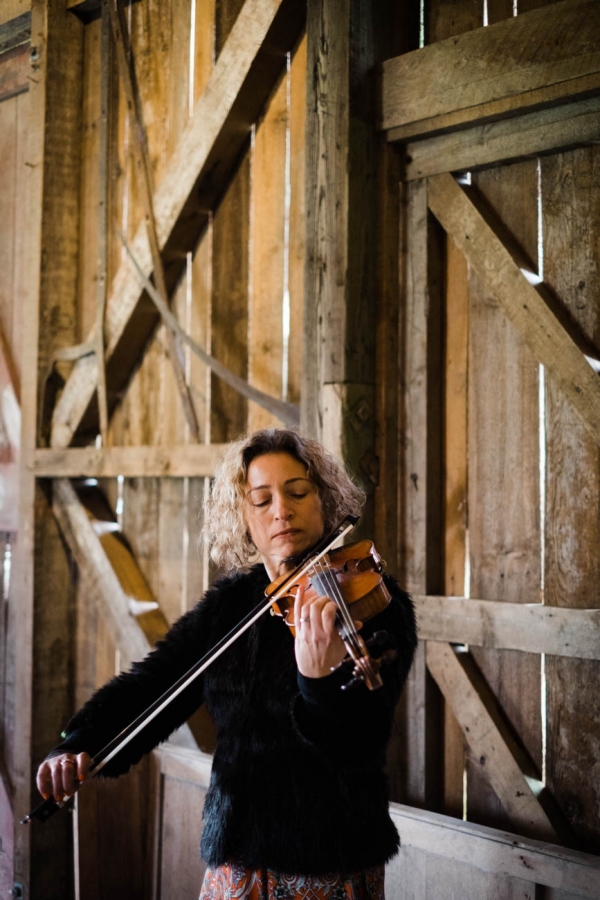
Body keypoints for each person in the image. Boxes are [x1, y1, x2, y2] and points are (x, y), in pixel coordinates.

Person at [36, 428, 417, 899]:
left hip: (330, 863)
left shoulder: (375, 605)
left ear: (326, 500)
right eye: (261, 500)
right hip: (236, 859)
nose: (281, 510)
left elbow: (363, 741)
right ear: (243, 517)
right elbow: (154, 682)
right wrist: (78, 742)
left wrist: (318, 683)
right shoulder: (231, 605)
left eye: (298, 492)